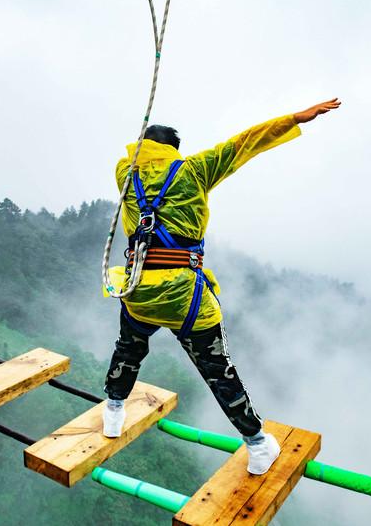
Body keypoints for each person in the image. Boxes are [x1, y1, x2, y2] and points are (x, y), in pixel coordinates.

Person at [102, 98, 341, 475]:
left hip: (138, 292)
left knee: (128, 349)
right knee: (218, 370)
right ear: (174, 151)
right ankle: (258, 444)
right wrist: (295, 118)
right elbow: (243, 144)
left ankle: (113, 412)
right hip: (186, 297)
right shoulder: (194, 171)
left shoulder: (124, 173)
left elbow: (136, 161)